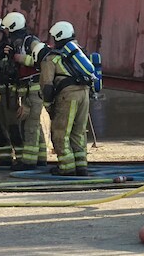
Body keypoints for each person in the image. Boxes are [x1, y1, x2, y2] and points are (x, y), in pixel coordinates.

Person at [41, 21, 98, 177]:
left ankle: (66, 167)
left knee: (60, 131)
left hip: (68, 96)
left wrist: (47, 104)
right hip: (84, 94)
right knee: (78, 132)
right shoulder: (80, 53)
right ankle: (81, 166)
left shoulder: (52, 58)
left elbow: (47, 85)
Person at [4, 12, 49, 170]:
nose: (7, 34)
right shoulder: (19, 42)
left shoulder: (30, 41)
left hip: (34, 88)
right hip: (27, 89)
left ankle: (29, 162)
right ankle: (41, 158)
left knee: (30, 125)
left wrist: (18, 58)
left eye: (8, 30)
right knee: (34, 124)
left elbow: (43, 59)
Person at [0, 19, 23, 166]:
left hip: (9, 93)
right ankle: (5, 157)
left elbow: (16, 71)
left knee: (12, 125)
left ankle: (21, 157)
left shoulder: (10, 50)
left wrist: (11, 57)